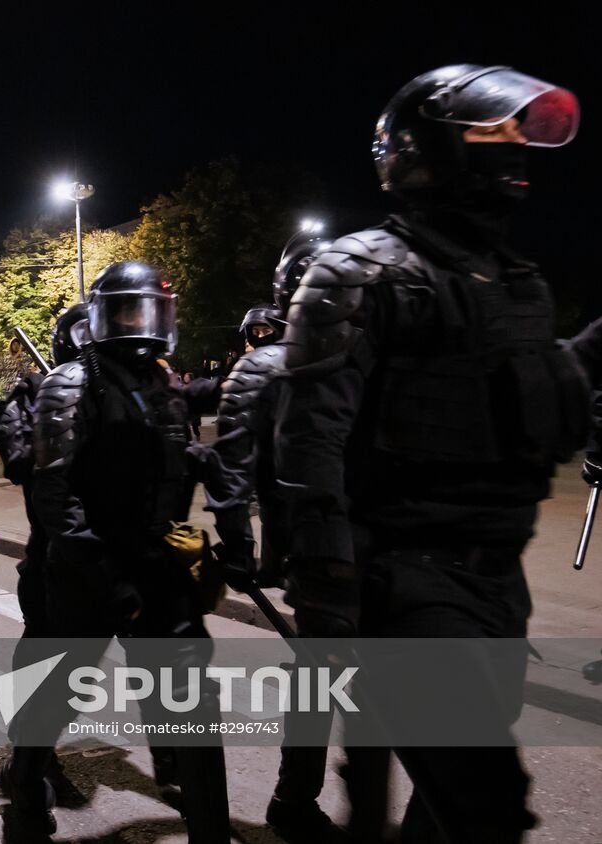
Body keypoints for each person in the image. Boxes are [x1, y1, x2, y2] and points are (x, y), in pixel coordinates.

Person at [276, 65, 587, 844]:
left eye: (519, 133)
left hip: (498, 581)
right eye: (492, 130)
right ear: (430, 146)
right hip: (406, 584)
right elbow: (308, 436)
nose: (512, 147)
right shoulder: (359, 271)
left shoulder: (518, 285)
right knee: (488, 803)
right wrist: (326, 583)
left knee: (444, 806)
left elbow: (547, 413)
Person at [1, 262, 230, 841]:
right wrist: (104, 577)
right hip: (87, 568)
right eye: (128, 309)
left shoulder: (164, 384)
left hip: (157, 565)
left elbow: (179, 461)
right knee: (57, 694)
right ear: (105, 317)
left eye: (149, 308)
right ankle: (27, 790)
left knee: (193, 705)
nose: (140, 321)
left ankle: (209, 827)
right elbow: (56, 493)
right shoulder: (73, 383)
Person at [207, 227, 343, 844]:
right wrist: (238, 546)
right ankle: (293, 798)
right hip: (317, 548)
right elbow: (230, 468)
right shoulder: (261, 368)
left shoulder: (376, 357)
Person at [0, 303, 89, 640]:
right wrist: (50, 432)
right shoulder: (37, 392)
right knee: (48, 660)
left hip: (127, 550)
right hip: (58, 547)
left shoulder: (129, 391)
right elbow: (18, 463)